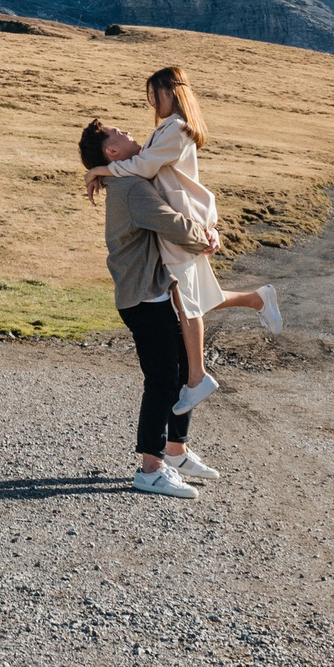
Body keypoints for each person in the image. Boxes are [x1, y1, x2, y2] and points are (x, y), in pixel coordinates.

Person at [81, 67, 282, 415]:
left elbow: (144, 167)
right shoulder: (166, 129)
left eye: (154, 94)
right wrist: (105, 172)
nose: (151, 102)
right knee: (187, 296)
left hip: (182, 221)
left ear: (171, 92)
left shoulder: (176, 129)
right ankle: (255, 301)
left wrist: (101, 170)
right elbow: (141, 163)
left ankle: (197, 377)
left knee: (187, 299)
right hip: (179, 221)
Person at [79, 117, 225, 498]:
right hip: (143, 297)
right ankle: (150, 469)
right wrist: (207, 237)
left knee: (180, 368)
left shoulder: (126, 179)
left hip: (149, 293)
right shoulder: (130, 188)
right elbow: (170, 223)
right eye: (118, 133)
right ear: (112, 151)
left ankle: (175, 451)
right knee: (161, 379)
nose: (127, 132)